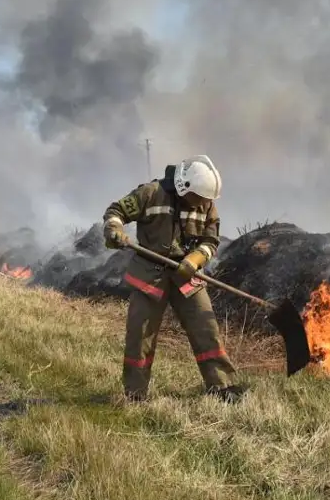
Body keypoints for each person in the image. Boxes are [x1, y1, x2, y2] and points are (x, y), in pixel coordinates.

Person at [103, 155, 244, 403]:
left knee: (206, 327)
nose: (202, 203)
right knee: (140, 336)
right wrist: (114, 229)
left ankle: (223, 386)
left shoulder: (207, 204)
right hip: (150, 274)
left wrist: (196, 259)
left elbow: (211, 241)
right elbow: (117, 211)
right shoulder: (150, 193)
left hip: (185, 274)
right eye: (198, 198)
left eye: (206, 200)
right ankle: (135, 394)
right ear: (183, 187)